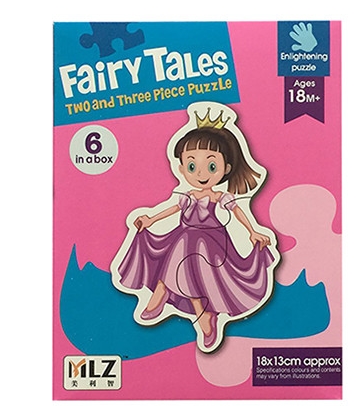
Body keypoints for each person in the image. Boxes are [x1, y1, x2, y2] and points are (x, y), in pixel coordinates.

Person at [115, 106, 277, 352]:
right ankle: (186, 306)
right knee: (180, 250)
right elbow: (171, 211)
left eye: (211, 167)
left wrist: (252, 231)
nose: (201, 173)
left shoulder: (219, 197)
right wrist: (150, 219)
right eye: (192, 167)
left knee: (191, 259)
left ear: (226, 169)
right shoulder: (187, 196)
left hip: (211, 244)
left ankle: (184, 304)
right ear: (181, 168)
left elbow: (237, 212)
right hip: (185, 238)